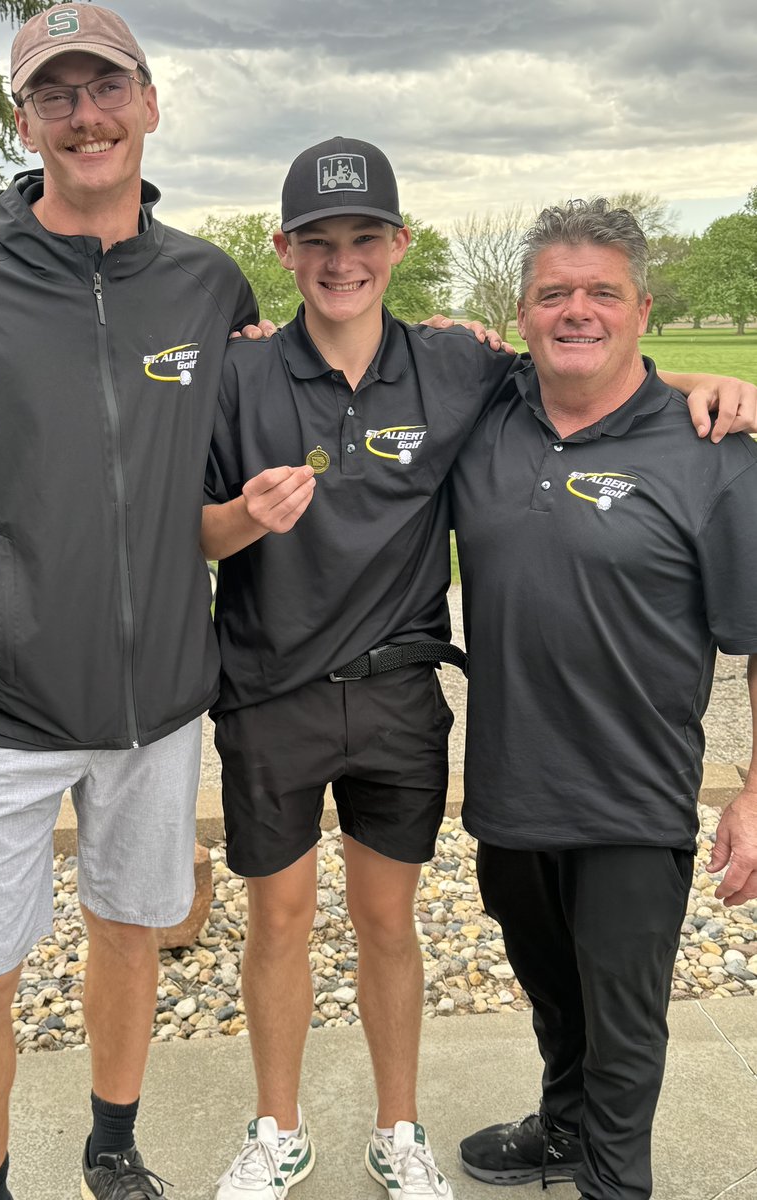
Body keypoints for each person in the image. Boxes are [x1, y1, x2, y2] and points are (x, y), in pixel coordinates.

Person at [199, 139, 756, 1200]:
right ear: (285, 249)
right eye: (320, 239)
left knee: (496, 965)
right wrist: (236, 520)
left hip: (518, 739)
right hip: (371, 731)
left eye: (365, 237)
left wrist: (711, 383)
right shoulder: (291, 376)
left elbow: (593, 370)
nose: (344, 258)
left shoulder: (492, 380)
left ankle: (521, 1160)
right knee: (356, 937)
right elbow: (184, 532)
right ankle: (346, 1129)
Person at [0, 5, 258, 1199]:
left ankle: (113, 1143)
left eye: (107, 87)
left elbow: (311, 375)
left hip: (160, 702)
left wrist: (662, 381)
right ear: (23, 120)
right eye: (56, 95)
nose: (86, 115)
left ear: (149, 101)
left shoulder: (204, 281)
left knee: (130, 933)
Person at [450, 199, 757, 1200]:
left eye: (601, 293)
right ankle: (565, 1124)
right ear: (523, 310)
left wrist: (754, 790)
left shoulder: (712, 449)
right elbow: (362, 356)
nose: (576, 310)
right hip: (510, 792)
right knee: (552, 996)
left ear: (640, 308)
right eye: (554, 293)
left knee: (625, 1026)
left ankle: (614, 1181)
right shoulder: (488, 416)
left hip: (632, 799)